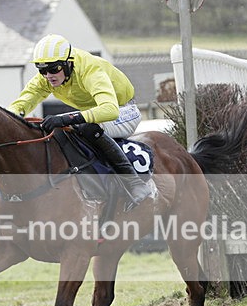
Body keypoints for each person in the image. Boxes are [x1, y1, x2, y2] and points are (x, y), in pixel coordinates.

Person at [8, 34, 151, 211]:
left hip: (122, 110)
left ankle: (135, 183)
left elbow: (110, 110)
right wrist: (7, 120)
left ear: (68, 63)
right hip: (95, 111)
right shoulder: (46, 78)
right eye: (42, 70)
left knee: (87, 127)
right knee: (57, 129)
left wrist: (66, 118)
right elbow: (21, 104)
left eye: (53, 69)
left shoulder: (89, 68)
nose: (48, 76)